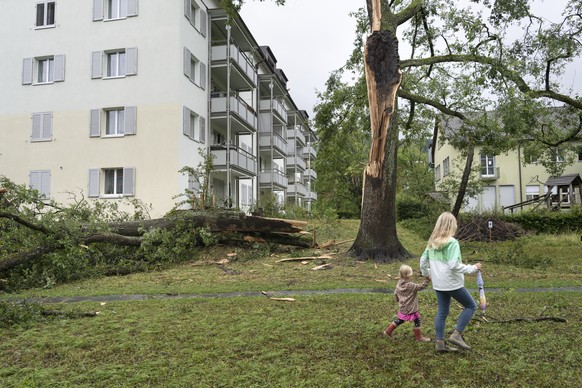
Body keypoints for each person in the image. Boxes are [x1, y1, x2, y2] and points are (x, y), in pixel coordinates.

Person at [419, 211, 482, 352]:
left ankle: (440, 343)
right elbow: (454, 265)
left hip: (439, 284)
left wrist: (427, 273)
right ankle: (456, 335)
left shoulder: (432, 241)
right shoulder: (452, 243)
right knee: (471, 306)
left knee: (442, 312)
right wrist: (473, 268)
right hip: (452, 283)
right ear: (452, 225)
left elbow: (423, 260)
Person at [383, 264, 431, 342]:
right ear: (409, 275)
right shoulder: (410, 285)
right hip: (411, 307)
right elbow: (420, 287)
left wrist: (398, 300)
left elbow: (396, 292)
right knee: (416, 320)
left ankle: (388, 331)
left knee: (400, 320)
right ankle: (419, 337)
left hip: (403, 306)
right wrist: (427, 279)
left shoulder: (399, 283)